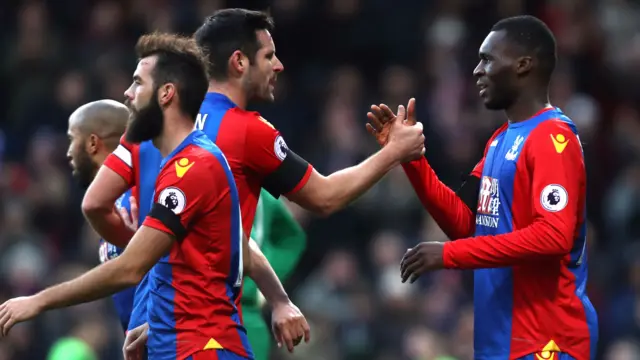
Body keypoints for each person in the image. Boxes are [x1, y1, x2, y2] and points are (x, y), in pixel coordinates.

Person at [86, 8, 425, 356]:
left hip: (151, 325)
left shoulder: (154, 122)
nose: (278, 66)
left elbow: (96, 205)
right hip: (209, 334)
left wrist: (139, 254)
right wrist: (394, 152)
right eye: (269, 56)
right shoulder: (246, 130)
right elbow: (324, 197)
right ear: (239, 62)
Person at [0, 33, 253, 360]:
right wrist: (158, 325)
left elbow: (130, 268)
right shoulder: (172, 165)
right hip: (179, 344)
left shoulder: (194, 167)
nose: (127, 93)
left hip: (205, 349)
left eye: (137, 83)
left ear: (166, 93)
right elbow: (192, 269)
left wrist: (37, 301)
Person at [367, 16, 597, 360]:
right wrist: (410, 159)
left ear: (523, 65)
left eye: (487, 59)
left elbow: (553, 236)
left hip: (548, 341)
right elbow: (466, 226)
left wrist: (447, 257)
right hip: (501, 340)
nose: (477, 70)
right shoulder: (500, 140)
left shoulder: (552, 138)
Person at [65, 99, 138, 332]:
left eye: (71, 139)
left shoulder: (138, 195)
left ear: (93, 143)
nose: (68, 152)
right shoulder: (109, 203)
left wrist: (39, 301)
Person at [244, 189, 306, 360]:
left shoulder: (262, 196)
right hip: (184, 311)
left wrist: (262, 286)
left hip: (244, 316)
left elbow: (291, 239)